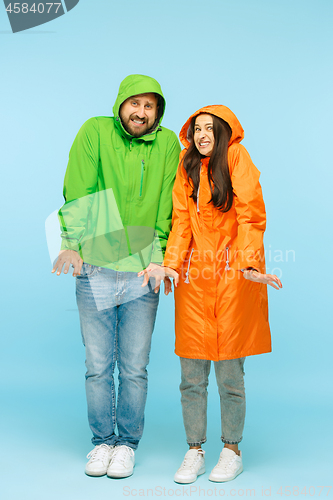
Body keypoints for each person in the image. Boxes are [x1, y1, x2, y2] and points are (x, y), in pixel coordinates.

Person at [140, 105, 282, 484]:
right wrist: (171, 263)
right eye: (197, 128)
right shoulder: (187, 167)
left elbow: (251, 213)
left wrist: (250, 264)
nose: (202, 134)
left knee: (230, 376)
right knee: (191, 375)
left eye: (209, 128)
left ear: (223, 132)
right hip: (194, 280)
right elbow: (181, 221)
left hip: (233, 279)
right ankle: (194, 450)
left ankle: (231, 449)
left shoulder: (236, 156)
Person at [52, 74, 180, 479]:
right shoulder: (95, 131)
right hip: (96, 268)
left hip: (143, 271)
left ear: (157, 112)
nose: (141, 112)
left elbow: (167, 205)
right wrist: (71, 241)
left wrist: (159, 256)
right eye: (135, 103)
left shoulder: (168, 144)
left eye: (149, 106)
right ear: (121, 103)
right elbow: (80, 189)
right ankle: (101, 443)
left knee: (135, 367)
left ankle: (127, 444)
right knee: (97, 365)